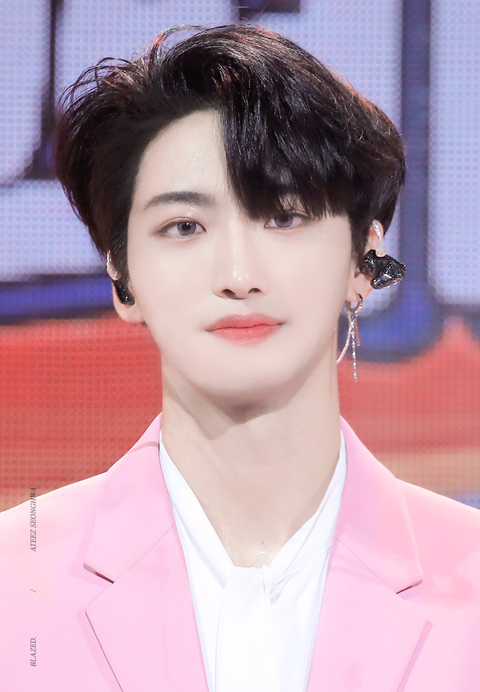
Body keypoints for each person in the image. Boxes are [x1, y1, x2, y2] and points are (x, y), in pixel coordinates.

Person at [1, 24, 479, 692]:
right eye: (184, 227)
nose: (237, 274)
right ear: (122, 276)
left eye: (283, 216)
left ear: (363, 263)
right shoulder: (14, 586)